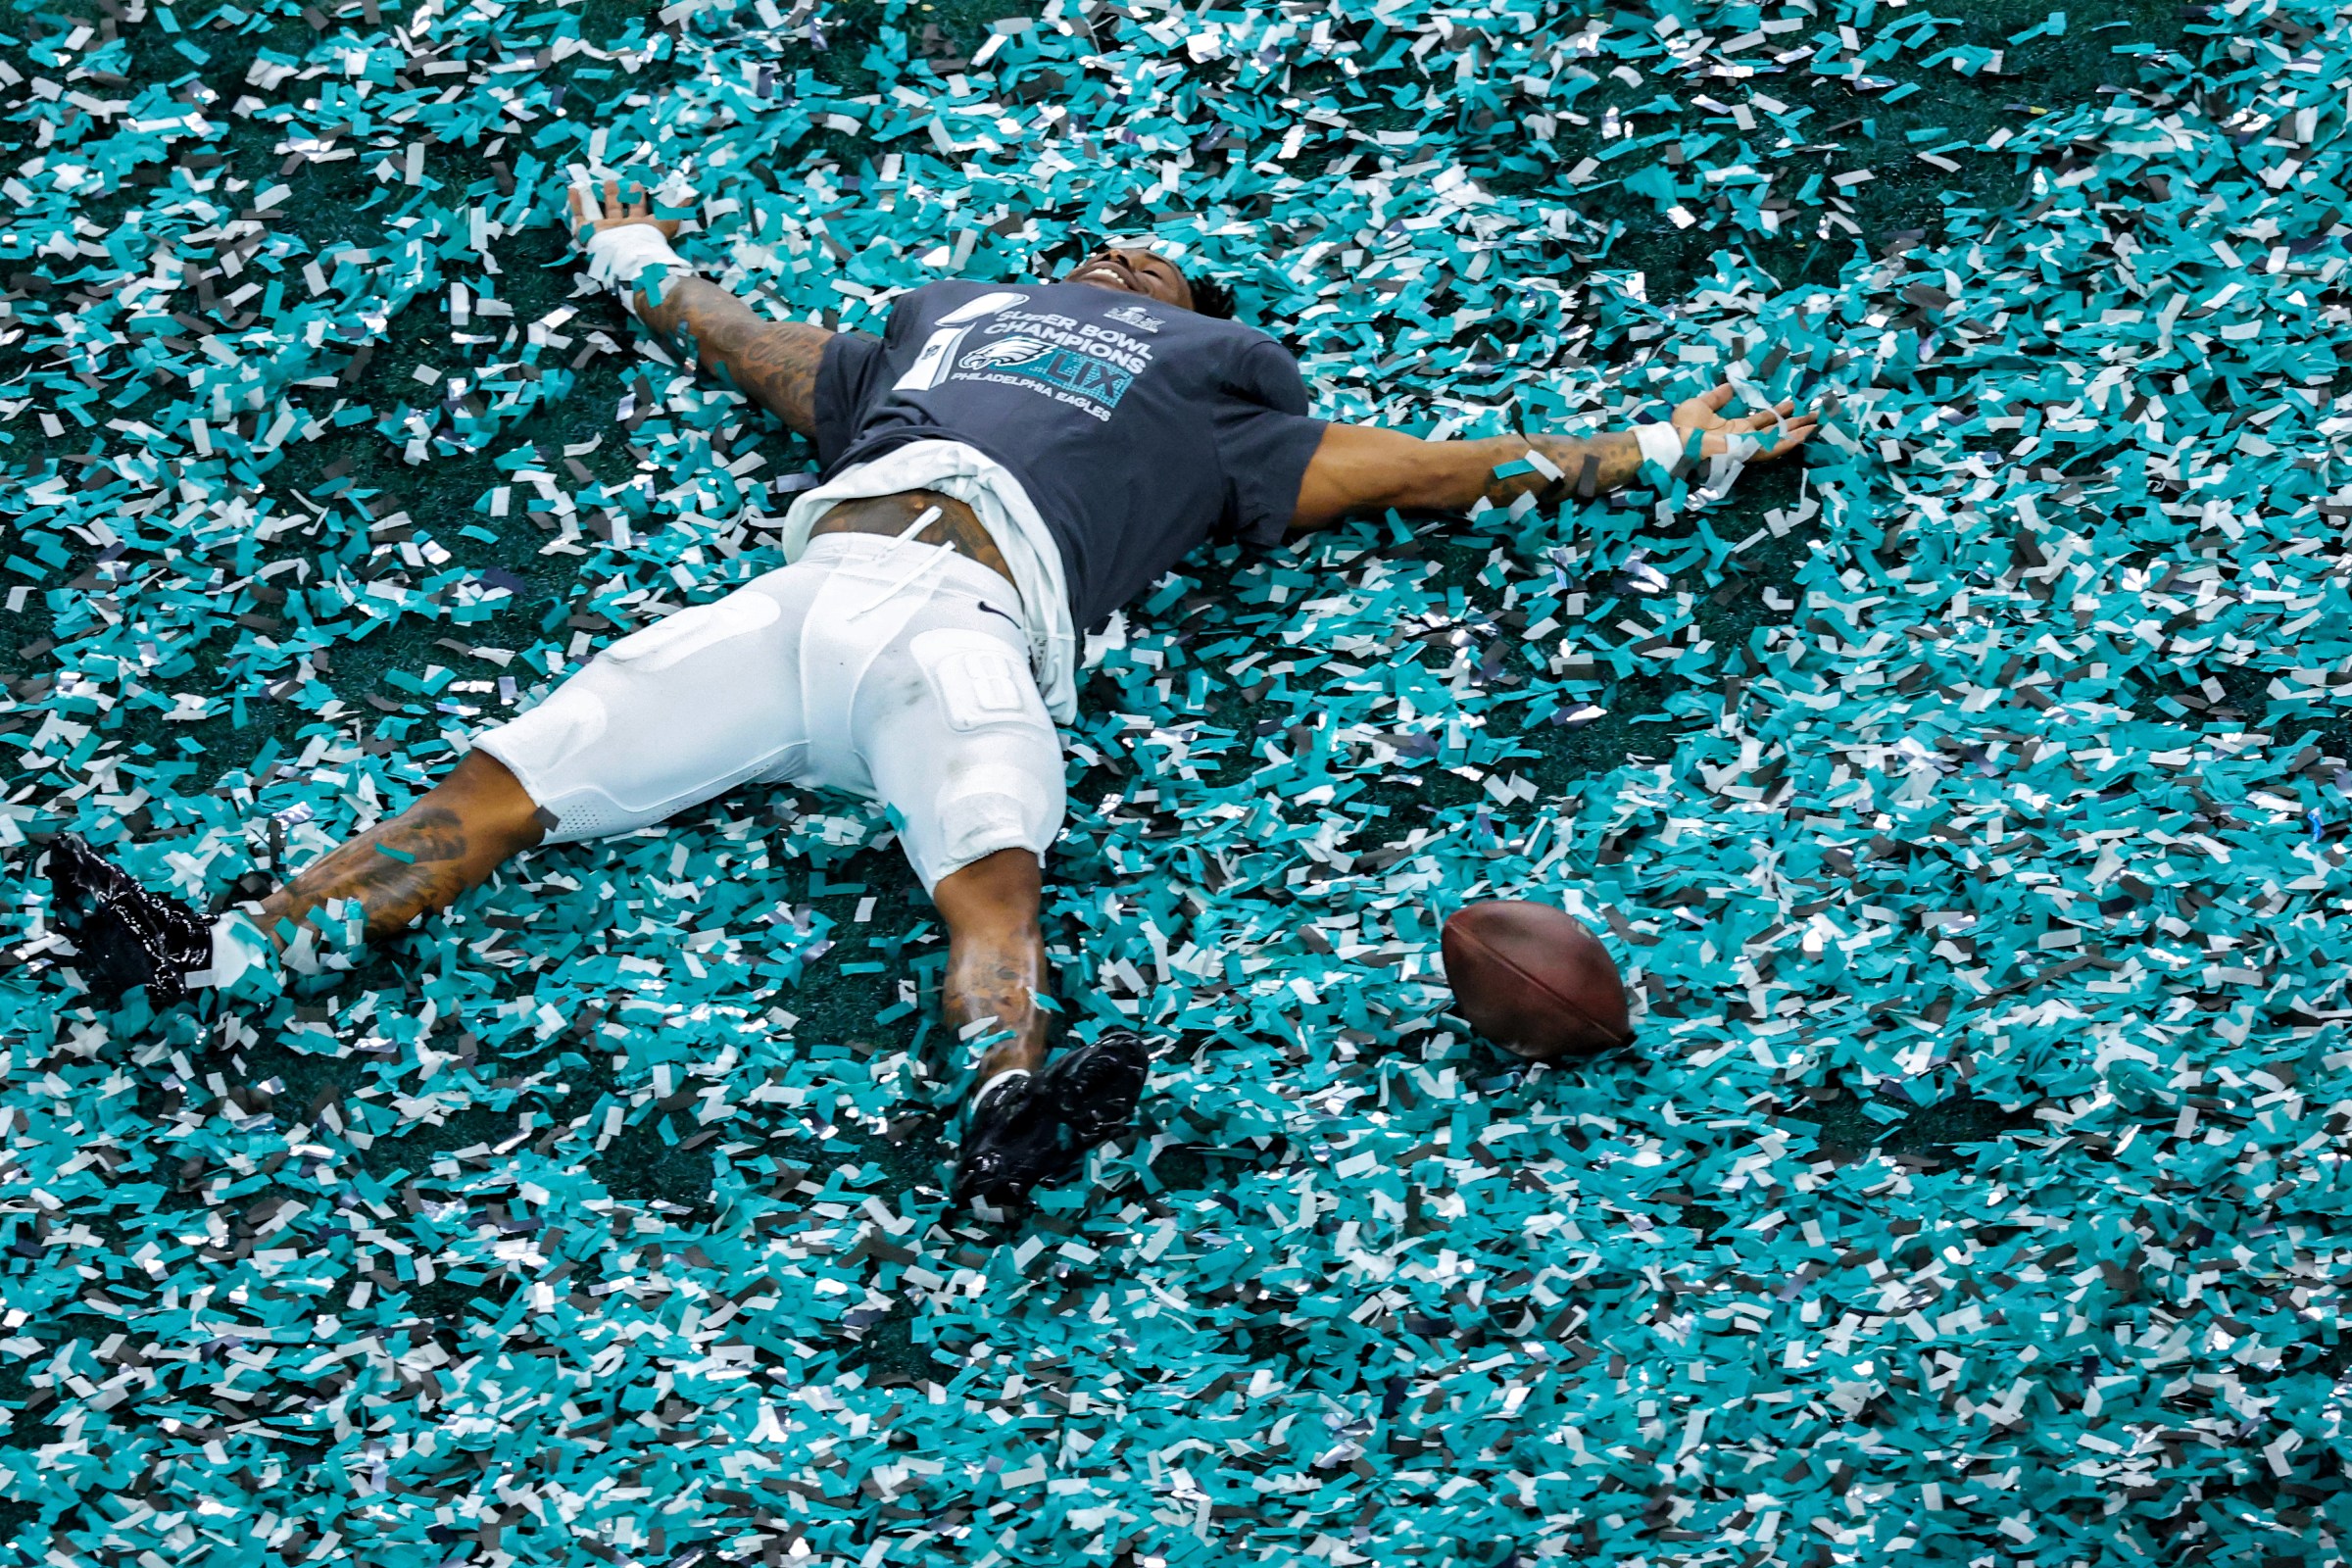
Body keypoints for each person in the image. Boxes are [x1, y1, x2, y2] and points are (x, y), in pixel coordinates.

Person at [40, 177, 1817, 1210]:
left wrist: (1657, 446)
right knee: (515, 778)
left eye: (1168, 263)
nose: (1131, 258)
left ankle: (1001, 1109)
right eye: (1109, 245)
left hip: (974, 624)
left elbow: (1435, 468)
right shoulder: (944, 322)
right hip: (806, 593)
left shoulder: (1221, 397)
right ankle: (232, 953)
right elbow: (765, 353)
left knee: (990, 885)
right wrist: (643, 267)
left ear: (1208, 313)